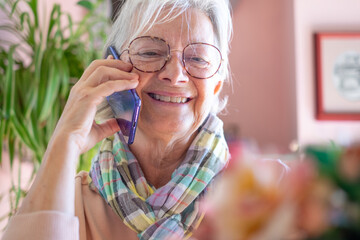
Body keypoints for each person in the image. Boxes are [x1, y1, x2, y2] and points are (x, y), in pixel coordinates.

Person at [3, 0, 232, 239]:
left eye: (198, 59)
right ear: (113, 66)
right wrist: (65, 140)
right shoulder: (65, 202)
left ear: (216, 84)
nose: (175, 76)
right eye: (150, 52)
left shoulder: (264, 196)